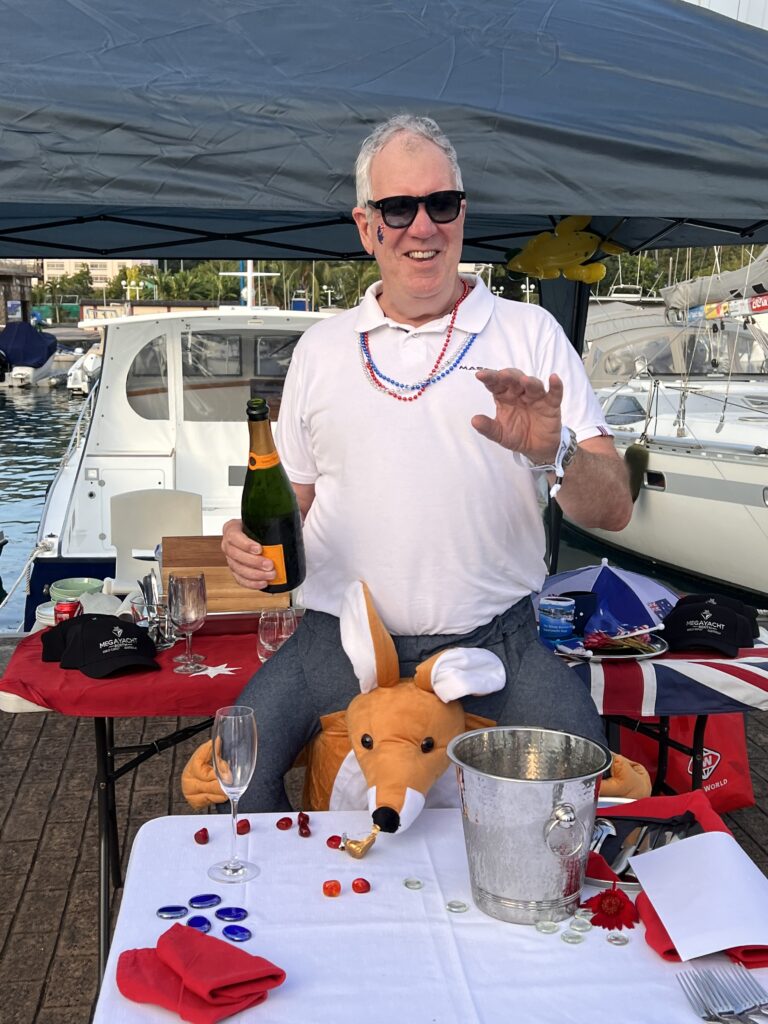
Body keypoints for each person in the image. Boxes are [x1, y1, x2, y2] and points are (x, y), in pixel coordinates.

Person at [223, 113, 633, 812]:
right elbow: (294, 504)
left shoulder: (530, 334)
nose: (423, 226)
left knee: (579, 786)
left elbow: (614, 509)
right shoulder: (320, 349)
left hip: (494, 644)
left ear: (462, 214)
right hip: (337, 641)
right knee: (234, 768)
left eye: (441, 204)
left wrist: (554, 451)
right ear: (366, 226)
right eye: (398, 208)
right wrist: (249, 544)